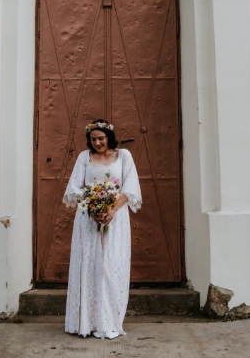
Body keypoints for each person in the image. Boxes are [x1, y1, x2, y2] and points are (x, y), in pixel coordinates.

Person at [62, 119, 142, 339]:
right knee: (89, 265)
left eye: (101, 138)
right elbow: (75, 188)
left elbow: (130, 187)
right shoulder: (84, 157)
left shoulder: (123, 156)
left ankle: (108, 321)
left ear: (109, 137)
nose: (97, 143)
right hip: (88, 219)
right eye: (93, 139)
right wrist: (92, 206)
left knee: (110, 266)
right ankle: (86, 322)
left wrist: (111, 210)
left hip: (115, 219)